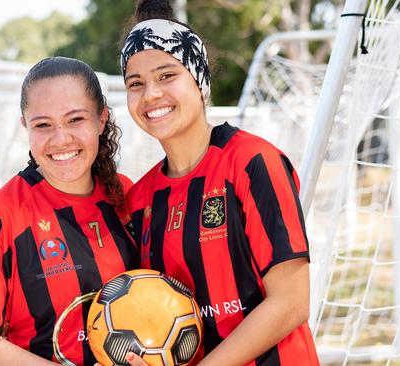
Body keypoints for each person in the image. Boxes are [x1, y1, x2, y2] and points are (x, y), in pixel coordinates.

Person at [119, 1, 319, 365]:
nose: (150, 95)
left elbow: (291, 302)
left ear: (199, 80)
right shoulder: (140, 199)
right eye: (136, 84)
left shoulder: (252, 162)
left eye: (166, 76)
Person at [0, 56, 139, 366]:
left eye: (75, 120)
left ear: (101, 119)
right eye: (43, 125)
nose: (60, 138)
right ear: (25, 125)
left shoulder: (127, 195)